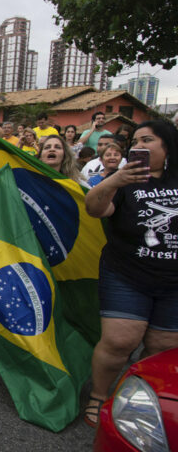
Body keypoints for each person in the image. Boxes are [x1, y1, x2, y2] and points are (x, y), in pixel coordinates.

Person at [83, 120, 178, 427]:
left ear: (168, 146)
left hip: (173, 282)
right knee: (120, 341)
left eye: (148, 140)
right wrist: (115, 181)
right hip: (127, 274)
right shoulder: (121, 180)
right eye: (135, 141)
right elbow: (95, 209)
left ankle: (143, 399)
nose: (139, 146)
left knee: (162, 346)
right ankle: (99, 395)